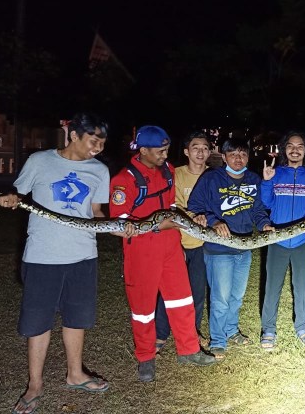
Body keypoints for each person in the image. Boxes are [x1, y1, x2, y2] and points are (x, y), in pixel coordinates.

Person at [0, 113, 112, 414]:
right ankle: (34, 385)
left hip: (83, 255)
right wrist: (9, 199)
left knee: (77, 318)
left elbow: (96, 211)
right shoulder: (40, 161)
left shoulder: (100, 170)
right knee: (38, 323)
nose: (97, 147)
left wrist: (115, 225)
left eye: (102, 142)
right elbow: (18, 194)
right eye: (93, 140)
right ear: (73, 135)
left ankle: (75, 374)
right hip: (42, 256)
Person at [110, 125, 216, 383]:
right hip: (141, 251)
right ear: (143, 150)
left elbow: (171, 207)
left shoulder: (168, 171)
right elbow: (117, 225)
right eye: (159, 151)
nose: (164, 155)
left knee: (182, 300)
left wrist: (184, 219)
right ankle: (146, 358)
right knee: (143, 308)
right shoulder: (123, 180)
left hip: (171, 245)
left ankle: (189, 349)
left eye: (167, 150)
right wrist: (162, 224)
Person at [187, 137, 274, 359]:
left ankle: (231, 329)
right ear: (224, 156)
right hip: (219, 249)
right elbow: (195, 207)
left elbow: (257, 210)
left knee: (236, 295)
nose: (238, 158)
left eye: (243, 154)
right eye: (233, 154)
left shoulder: (253, 179)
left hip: (244, 247)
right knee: (220, 297)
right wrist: (214, 221)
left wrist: (264, 224)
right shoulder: (211, 178)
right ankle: (218, 340)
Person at [259, 131, 305, 350]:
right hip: (278, 239)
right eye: (290, 146)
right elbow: (265, 202)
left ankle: (302, 327)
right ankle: (268, 329)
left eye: (300, 146)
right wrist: (266, 181)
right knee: (272, 285)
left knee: (301, 285)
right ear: (285, 149)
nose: (295, 150)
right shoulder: (275, 174)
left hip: (303, 240)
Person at [155, 131, 211, 353]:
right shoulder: (174, 174)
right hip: (175, 240)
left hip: (202, 243)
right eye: (195, 147)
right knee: (167, 289)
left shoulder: (214, 176)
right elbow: (169, 205)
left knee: (198, 291)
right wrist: (191, 214)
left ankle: (192, 332)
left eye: (205, 148)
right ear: (187, 151)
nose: (200, 152)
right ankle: (160, 333)